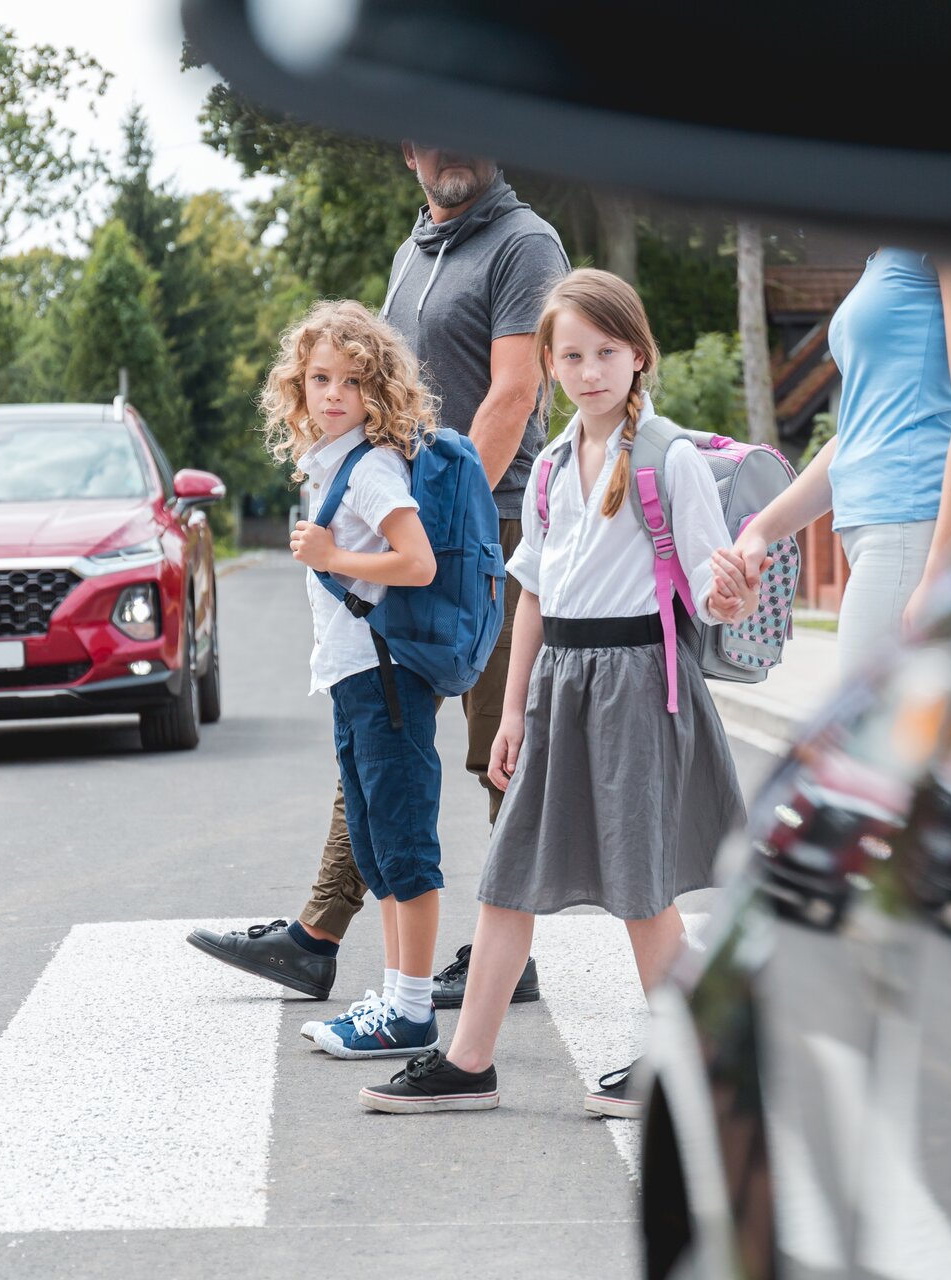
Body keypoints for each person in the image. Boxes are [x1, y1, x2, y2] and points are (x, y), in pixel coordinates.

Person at [358, 268, 757, 1115]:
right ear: (547, 363)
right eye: (570, 355)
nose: (589, 371)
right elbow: (531, 595)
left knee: (641, 891)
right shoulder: (546, 468)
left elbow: (713, 591)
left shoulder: (669, 458)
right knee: (508, 878)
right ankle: (469, 1063)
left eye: (605, 352)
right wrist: (512, 712)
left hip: (640, 685)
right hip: (560, 686)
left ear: (639, 356)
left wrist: (731, 589)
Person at [189, 147, 568, 1008]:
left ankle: (507, 948)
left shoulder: (524, 244)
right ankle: (316, 936)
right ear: (406, 149)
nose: (451, 150)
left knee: (497, 747)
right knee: (379, 726)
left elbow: (513, 394)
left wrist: (441, 521)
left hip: (487, 529)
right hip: (414, 523)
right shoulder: (415, 253)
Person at [258, 299, 446, 1059]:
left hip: (386, 678)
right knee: (375, 848)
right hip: (355, 679)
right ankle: (399, 998)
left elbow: (418, 562)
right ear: (297, 389)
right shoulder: (331, 463)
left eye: (352, 380)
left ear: (379, 390)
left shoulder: (371, 470)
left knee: (404, 850)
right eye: (319, 379)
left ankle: (411, 1009)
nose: (333, 394)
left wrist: (333, 557)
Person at [720, 249, 951, 673]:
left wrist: (944, 571)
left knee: (870, 734)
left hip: (915, 534)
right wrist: (762, 529)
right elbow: (857, 434)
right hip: (892, 539)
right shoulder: (887, 253)